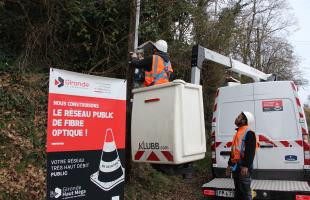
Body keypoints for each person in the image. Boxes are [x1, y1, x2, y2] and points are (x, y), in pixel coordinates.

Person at [226, 111, 257, 200]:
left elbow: (250, 152)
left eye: (239, 117)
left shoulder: (249, 133)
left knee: (245, 192)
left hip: (244, 167)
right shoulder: (238, 133)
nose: (236, 118)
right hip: (236, 166)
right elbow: (234, 151)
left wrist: (246, 166)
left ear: (244, 121)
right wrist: (229, 165)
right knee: (238, 191)